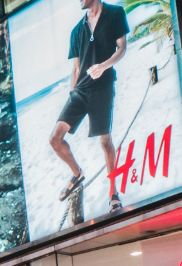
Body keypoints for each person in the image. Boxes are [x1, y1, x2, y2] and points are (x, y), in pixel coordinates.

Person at [50, 0, 129, 213]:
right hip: (80, 92)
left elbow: (122, 48)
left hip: (103, 88)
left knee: (105, 141)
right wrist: (72, 94)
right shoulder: (77, 30)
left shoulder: (115, 13)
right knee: (55, 139)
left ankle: (113, 193)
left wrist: (103, 67)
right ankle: (77, 173)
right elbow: (76, 68)